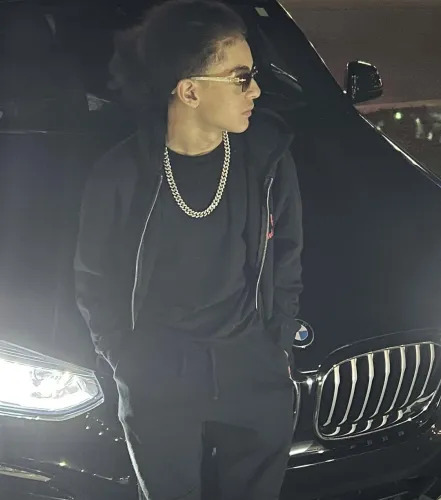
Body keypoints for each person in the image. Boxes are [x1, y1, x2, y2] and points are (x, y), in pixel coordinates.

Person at [74, 0, 303, 498]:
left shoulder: (266, 159)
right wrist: (127, 361)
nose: (256, 91)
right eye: (241, 78)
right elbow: (94, 279)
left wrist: (277, 344)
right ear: (190, 90)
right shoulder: (120, 175)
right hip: (160, 374)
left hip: (251, 367)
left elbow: (288, 256)